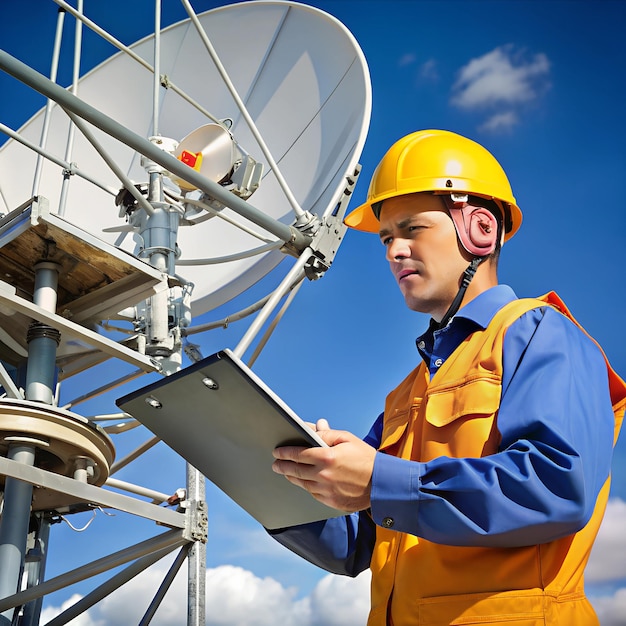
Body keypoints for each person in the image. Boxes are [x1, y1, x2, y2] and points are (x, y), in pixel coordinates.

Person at [269, 129, 626, 625]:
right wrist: (276, 480)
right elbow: (358, 543)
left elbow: (557, 484)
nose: (394, 250)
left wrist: (377, 479)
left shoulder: (537, 332)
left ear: (480, 227)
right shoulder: (403, 395)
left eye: (411, 228)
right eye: (387, 238)